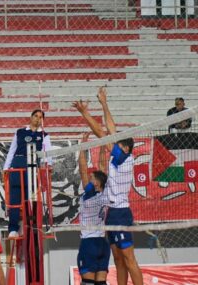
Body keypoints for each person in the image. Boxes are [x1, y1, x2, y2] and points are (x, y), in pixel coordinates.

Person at [72, 87, 143, 285]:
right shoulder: (115, 158)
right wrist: (102, 104)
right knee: (119, 260)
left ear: (126, 148)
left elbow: (104, 133)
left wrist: (92, 110)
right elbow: (108, 135)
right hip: (110, 213)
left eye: (118, 143)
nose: (115, 143)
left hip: (120, 212)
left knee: (129, 259)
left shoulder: (125, 158)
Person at [3, 109, 52, 238]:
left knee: (30, 200)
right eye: (35, 116)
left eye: (40, 117)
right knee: (14, 199)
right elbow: (12, 151)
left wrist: (47, 166)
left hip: (32, 167)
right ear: (31, 117)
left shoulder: (44, 135)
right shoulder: (19, 132)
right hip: (17, 164)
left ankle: (29, 226)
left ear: (43, 121)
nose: (37, 118)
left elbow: (48, 154)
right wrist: (6, 168)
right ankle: (13, 228)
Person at [77, 133, 110, 285]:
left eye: (92, 179)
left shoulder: (89, 194)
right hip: (103, 244)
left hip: (89, 243)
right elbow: (103, 166)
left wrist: (83, 146)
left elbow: (82, 168)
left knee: (88, 283)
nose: (89, 179)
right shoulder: (106, 193)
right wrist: (103, 143)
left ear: (96, 184)